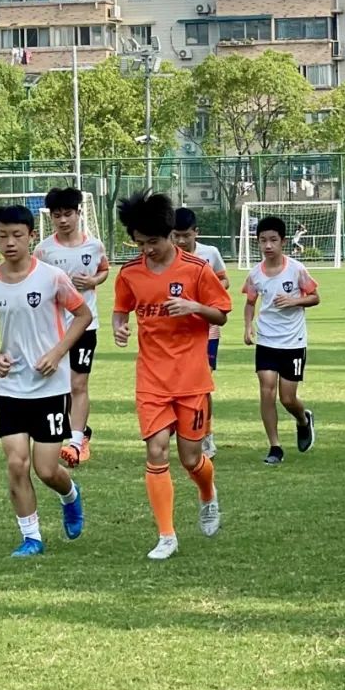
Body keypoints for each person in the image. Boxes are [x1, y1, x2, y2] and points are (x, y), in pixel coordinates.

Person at [114, 191, 232, 561]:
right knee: (155, 450)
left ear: (169, 236)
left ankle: (207, 493)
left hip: (191, 379)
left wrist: (194, 306)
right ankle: (167, 535)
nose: (146, 249)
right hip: (151, 378)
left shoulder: (197, 270)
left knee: (191, 458)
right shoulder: (130, 274)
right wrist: (119, 327)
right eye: (139, 242)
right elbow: (121, 309)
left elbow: (221, 314)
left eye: (153, 242)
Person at [0, 205, 91, 558]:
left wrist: (57, 353)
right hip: (11, 389)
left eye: (17, 235)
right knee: (16, 463)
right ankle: (32, 537)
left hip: (50, 388)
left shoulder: (52, 278)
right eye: (3, 236)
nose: (10, 243)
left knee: (46, 469)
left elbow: (82, 314)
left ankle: (70, 495)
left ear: (31, 236)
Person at [34, 187, 110, 467]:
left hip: (85, 326)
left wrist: (94, 281)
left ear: (79, 213)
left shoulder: (94, 245)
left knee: (78, 383)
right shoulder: (43, 250)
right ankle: (72, 431)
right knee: (59, 385)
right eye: (57, 215)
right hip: (53, 328)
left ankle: (76, 442)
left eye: (68, 214)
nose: (63, 220)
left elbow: (104, 269)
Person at [242, 216, 319, 465]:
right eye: (263, 240)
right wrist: (247, 327)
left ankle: (303, 419)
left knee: (287, 398)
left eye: (273, 240)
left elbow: (315, 297)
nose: (268, 245)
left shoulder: (296, 269)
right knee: (266, 391)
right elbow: (250, 303)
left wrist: (294, 300)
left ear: (283, 241)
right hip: (266, 340)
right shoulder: (255, 274)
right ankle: (275, 447)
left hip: (293, 341)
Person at [170, 207, 230, 458]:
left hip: (207, 329)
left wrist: (204, 295)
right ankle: (174, 424)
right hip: (173, 332)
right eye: (176, 236)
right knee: (173, 381)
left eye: (186, 235)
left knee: (202, 385)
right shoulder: (166, 257)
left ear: (196, 232)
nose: (181, 241)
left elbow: (224, 280)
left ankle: (206, 434)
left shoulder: (210, 254)